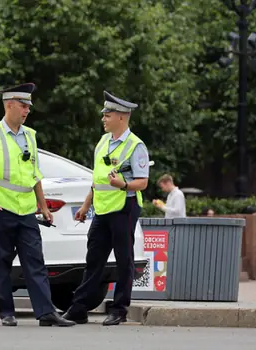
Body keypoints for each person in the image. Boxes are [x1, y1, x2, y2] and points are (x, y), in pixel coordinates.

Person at [0, 82, 75, 327]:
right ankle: (7, 311)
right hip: (0, 209)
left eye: (29, 106)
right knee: (2, 262)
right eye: (23, 105)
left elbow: (34, 174)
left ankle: (46, 313)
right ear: (9, 105)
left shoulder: (30, 136)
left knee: (35, 262)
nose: (27, 110)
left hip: (27, 211)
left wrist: (44, 206)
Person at [62, 91, 149, 326]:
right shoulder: (103, 142)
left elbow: (143, 182)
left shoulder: (135, 146)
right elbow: (97, 180)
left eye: (107, 114)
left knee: (124, 260)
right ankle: (79, 308)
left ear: (121, 117)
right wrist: (85, 205)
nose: (103, 118)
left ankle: (119, 308)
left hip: (124, 208)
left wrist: (123, 184)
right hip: (101, 210)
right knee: (94, 259)